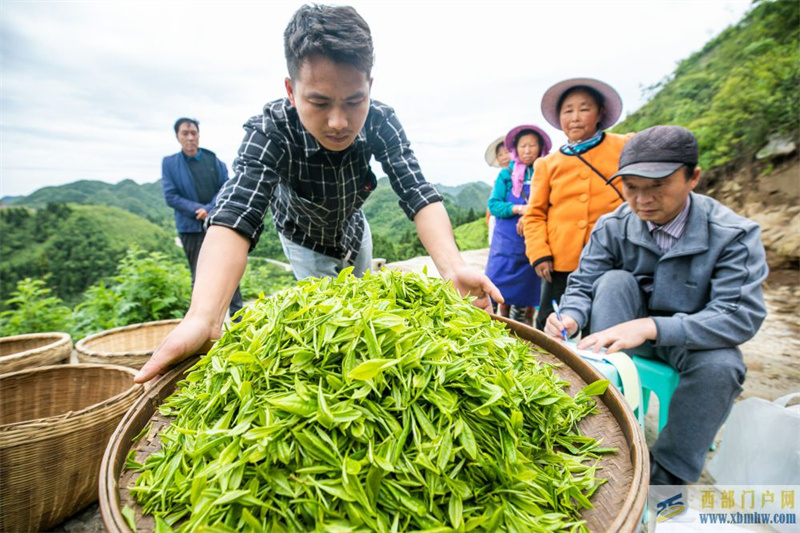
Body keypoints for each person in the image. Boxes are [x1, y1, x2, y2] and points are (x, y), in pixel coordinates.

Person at [135, 4, 501, 384]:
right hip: (302, 238)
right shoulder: (271, 131)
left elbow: (416, 190)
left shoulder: (380, 119)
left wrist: (453, 268)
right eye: (320, 102)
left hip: (354, 230)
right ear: (292, 91)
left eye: (354, 101)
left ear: (369, 88)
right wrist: (204, 317)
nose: (339, 122)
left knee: (365, 315)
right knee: (329, 323)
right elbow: (236, 212)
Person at [544, 125, 768, 485]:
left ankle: (666, 476)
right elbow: (584, 283)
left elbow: (739, 315)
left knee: (722, 367)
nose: (643, 199)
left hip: (692, 341)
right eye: (631, 187)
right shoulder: (613, 226)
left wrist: (653, 327)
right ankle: (605, 438)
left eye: (658, 185)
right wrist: (570, 314)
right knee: (614, 281)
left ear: (692, 177)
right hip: (618, 332)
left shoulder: (733, 234)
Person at [523, 78, 633, 331]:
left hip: (615, 256)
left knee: (606, 324)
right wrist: (539, 253)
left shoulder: (624, 146)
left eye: (584, 109)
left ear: (600, 113)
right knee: (552, 327)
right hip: (561, 262)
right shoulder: (547, 164)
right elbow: (535, 214)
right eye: (568, 110)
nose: (575, 117)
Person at [161, 118, 243, 317]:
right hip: (190, 227)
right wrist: (197, 209)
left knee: (228, 268)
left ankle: (239, 317)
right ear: (178, 137)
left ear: (198, 135)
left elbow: (226, 189)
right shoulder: (170, 163)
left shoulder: (213, 161)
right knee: (199, 274)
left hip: (217, 223)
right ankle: (203, 320)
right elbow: (170, 196)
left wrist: (208, 209)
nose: (190, 137)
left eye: (193, 133)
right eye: (185, 133)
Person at [485, 125, 551, 325]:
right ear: (516, 149)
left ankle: (519, 333)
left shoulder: (545, 171)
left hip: (529, 245)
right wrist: (520, 209)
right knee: (495, 290)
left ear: (540, 148)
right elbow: (494, 205)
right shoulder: (506, 175)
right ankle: (492, 327)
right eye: (523, 146)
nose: (528, 150)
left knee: (523, 296)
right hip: (505, 244)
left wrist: (531, 213)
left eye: (532, 145)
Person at [483, 136, 512, 247]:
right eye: (500, 154)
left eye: (506, 152)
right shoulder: (500, 177)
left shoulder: (522, 171)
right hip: (500, 213)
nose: (504, 157)